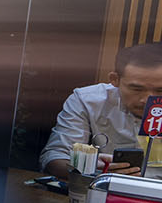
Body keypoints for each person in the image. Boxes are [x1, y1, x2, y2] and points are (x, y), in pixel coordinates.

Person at [40, 41, 162, 177]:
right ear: (114, 79)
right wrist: (87, 167)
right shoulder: (88, 100)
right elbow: (54, 158)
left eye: (160, 90)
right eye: (136, 89)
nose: (146, 99)